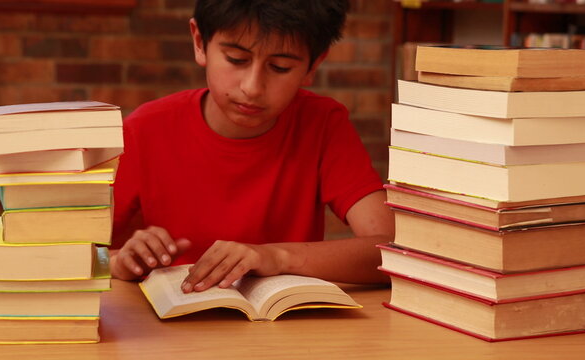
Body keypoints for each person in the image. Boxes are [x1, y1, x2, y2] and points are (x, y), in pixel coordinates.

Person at [110, 0, 394, 293]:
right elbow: (71, 255)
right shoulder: (146, 129)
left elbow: (394, 251)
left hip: (288, 330)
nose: (252, 87)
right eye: (236, 59)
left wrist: (275, 256)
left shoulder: (322, 124)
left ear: (313, 65)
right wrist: (119, 262)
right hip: (170, 328)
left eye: (280, 67)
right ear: (199, 42)